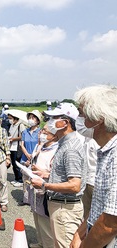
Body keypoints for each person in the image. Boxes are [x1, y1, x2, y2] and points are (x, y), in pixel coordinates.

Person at [31, 102, 86, 248]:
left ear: (65, 123)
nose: (49, 123)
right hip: (61, 206)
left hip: (65, 209)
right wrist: (47, 174)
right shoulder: (65, 143)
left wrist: (44, 184)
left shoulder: (70, 148)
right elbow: (67, 175)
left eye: (53, 118)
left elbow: (74, 185)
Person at [71, 85, 117, 248]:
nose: (79, 119)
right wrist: (80, 232)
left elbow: (110, 224)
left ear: (98, 119)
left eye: (81, 113)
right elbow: (100, 205)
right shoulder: (106, 150)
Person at [28, 125, 58, 248]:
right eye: (42, 130)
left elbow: (56, 175)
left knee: (46, 225)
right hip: (35, 188)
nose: (42, 133)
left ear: (55, 135)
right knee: (37, 219)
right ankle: (40, 243)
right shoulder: (42, 146)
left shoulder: (56, 150)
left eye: (46, 131)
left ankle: (48, 245)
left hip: (46, 189)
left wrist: (39, 170)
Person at [20, 110, 42, 205]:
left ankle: (34, 201)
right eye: (30, 117)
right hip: (25, 158)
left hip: (36, 159)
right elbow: (22, 145)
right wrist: (27, 156)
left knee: (34, 179)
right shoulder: (25, 131)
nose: (30, 120)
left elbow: (40, 145)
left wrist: (32, 157)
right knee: (25, 179)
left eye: (33, 118)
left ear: (38, 121)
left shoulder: (40, 132)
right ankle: (26, 199)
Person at [8, 112, 26, 187]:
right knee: (13, 164)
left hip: (17, 147)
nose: (9, 120)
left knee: (17, 164)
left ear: (15, 118)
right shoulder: (12, 125)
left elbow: (23, 136)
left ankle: (20, 179)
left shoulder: (20, 125)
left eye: (10, 118)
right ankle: (16, 178)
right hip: (11, 146)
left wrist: (13, 139)